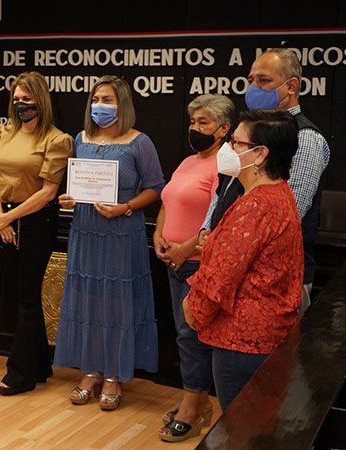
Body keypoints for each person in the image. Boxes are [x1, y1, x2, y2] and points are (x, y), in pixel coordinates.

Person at [53, 75, 165, 411]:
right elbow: (80, 183)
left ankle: (114, 374)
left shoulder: (139, 142)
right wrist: (70, 198)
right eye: (96, 99)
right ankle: (90, 372)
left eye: (108, 100)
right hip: (85, 231)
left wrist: (125, 207)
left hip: (121, 233)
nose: (99, 105)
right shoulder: (81, 138)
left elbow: (156, 188)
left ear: (122, 105)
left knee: (117, 304)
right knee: (88, 301)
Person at [185, 110, 303, 416]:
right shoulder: (278, 193)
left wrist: (194, 308)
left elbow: (221, 278)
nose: (227, 148)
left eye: (236, 142)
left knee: (240, 430)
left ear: (260, 154)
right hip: (266, 336)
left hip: (242, 342)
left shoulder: (255, 205)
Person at [198, 48, 330, 316]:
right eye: (250, 80)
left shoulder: (305, 138)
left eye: (264, 81)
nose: (253, 88)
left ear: (291, 86)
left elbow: (288, 214)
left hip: (272, 281)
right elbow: (224, 187)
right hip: (229, 266)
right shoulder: (247, 131)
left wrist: (227, 243)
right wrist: (207, 228)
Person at [153, 95, 234, 442]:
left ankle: (192, 409)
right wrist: (158, 234)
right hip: (173, 262)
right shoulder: (188, 161)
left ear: (224, 128)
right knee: (184, 335)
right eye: (193, 122)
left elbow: (218, 219)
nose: (195, 129)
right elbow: (167, 202)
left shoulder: (225, 165)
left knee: (192, 336)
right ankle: (197, 401)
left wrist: (185, 250)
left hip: (198, 264)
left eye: (203, 123)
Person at [0, 72, 73, 396]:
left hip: (35, 221)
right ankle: (39, 366)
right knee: (22, 296)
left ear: (41, 100)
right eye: (16, 98)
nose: (20, 104)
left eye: (27, 98)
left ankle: (20, 374)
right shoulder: (1, 133)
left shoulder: (56, 139)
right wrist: (0, 217)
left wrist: (9, 217)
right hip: (5, 219)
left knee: (26, 296)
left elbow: (49, 191)